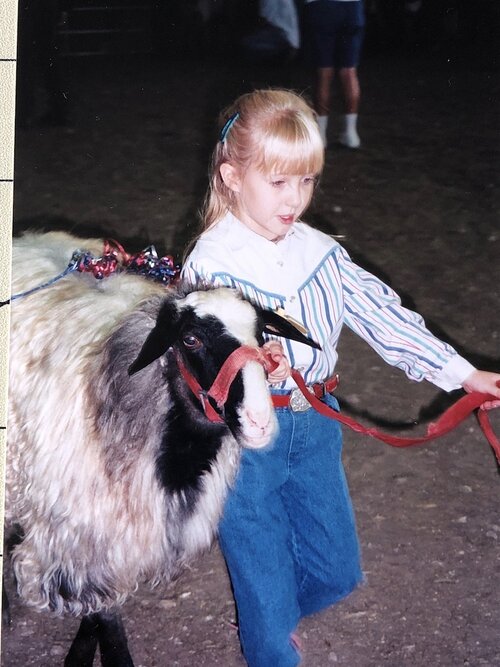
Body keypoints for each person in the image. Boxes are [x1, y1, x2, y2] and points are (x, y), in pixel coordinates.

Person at [181, 89, 500, 666]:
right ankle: (270, 633)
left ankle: (270, 618)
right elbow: (191, 359)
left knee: (337, 571)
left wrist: (464, 373)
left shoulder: (321, 253)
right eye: (278, 183)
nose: (294, 200)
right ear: (231, 175)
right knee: (265, 588)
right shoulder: (211, 262)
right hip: (242, 446)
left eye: (306, 181)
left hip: (315, 431)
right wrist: (244, 362)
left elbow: (387, 320)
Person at [303, 0, 365, 148]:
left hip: (321, 6)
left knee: (324, 71)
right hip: (352, 7)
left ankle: (321, 135)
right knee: (349, 70)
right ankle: (351, 134)